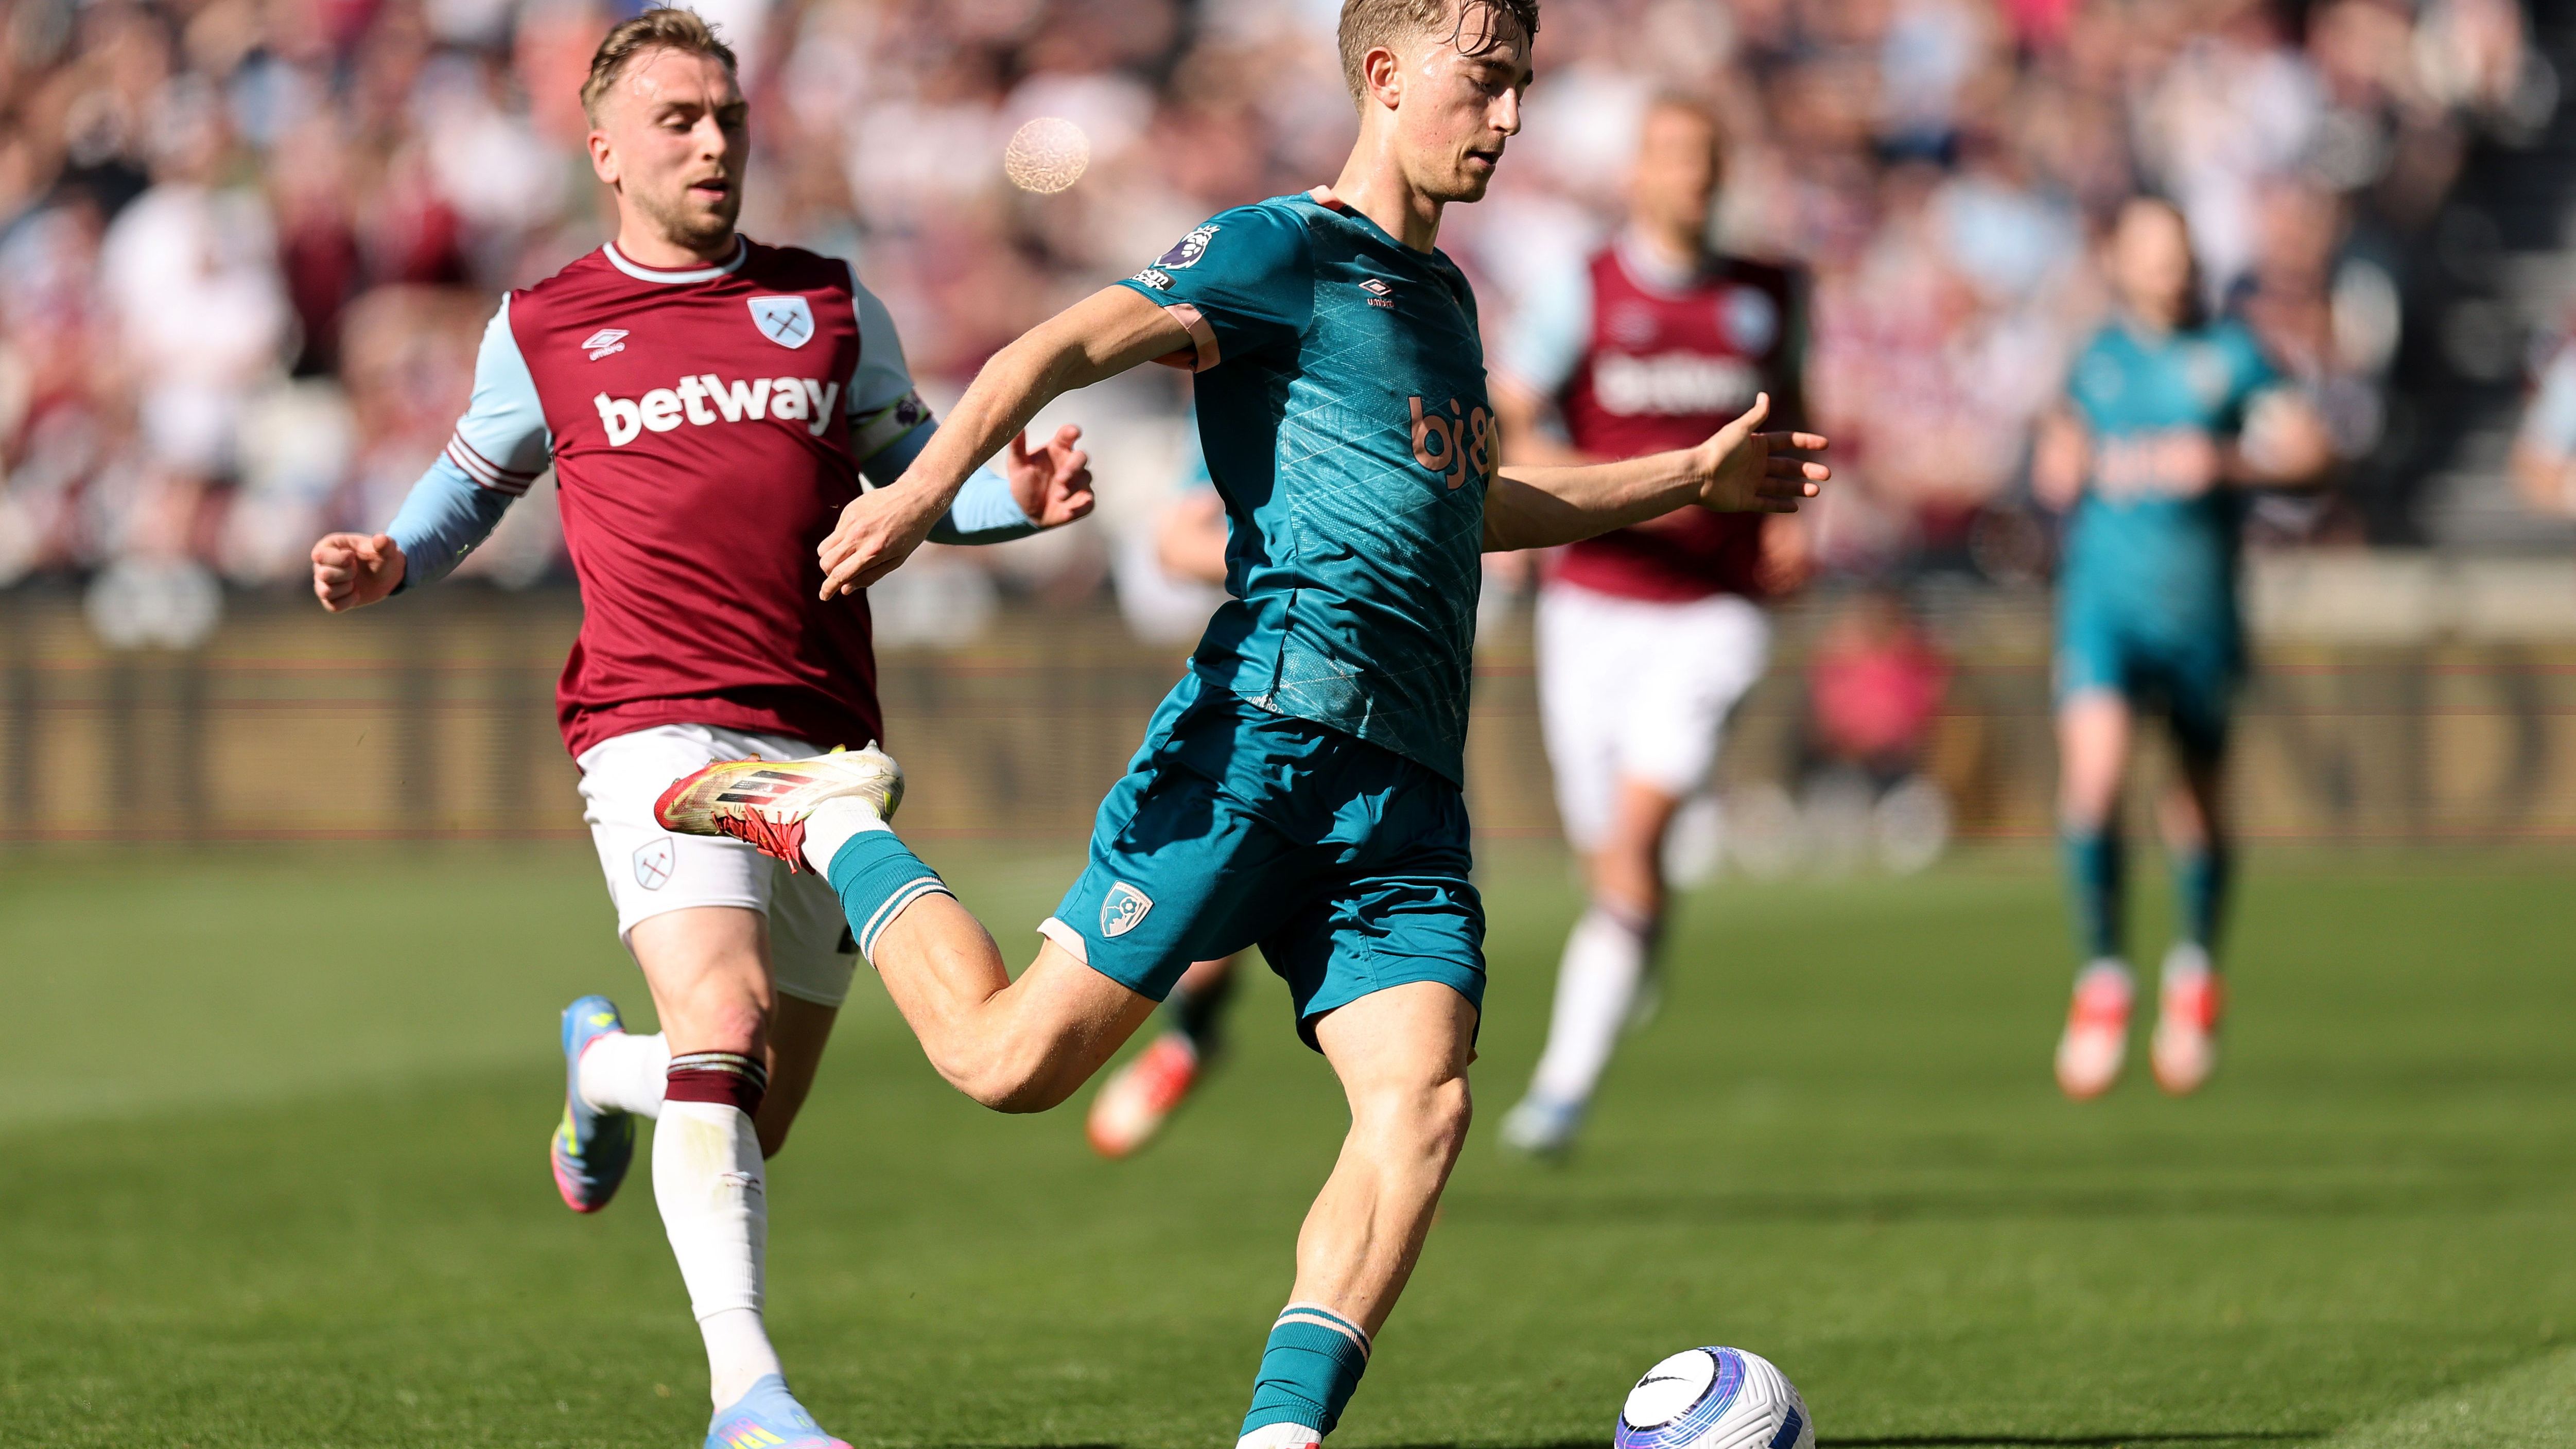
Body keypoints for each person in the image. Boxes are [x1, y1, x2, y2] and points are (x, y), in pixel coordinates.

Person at [649, 4, 1826, 1444]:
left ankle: (1279, 1439)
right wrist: (909, 494)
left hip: (1402, 789)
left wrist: (1684, 480)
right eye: (1488, 79)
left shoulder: (1443, 299)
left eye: (1523, 83)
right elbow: (1057, 347)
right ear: (1387, 77)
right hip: (1257, 745)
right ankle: (831, 817)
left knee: (1423, 1105)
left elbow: (1473, 507)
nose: (1511, 115)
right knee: (1009, 1066)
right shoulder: (1280, 250)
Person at [305, 12, 1095, 1448]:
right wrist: (394, 560)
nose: (714, 142)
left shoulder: (829, 302)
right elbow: (472, 482)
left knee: (735, 1107)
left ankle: (598, 1068)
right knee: (719, 1030)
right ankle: (751, 1399)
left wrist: (1009, 501)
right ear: (604, 149)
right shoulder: (544, 322)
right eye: (678, 120)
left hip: (824, 739)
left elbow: (911, 483)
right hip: (653, 733)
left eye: (727, 115)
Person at [1485, 95, 1812, 1156]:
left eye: (1710, 157)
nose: (1694, 176)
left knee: (1631, 845)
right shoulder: (1584, 288)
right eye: (1673, 156)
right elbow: (1522, 409)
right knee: (1612, 868)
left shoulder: (1769, 293)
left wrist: (1797, 522)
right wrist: (1578, 481)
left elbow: (1797, 417)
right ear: (1638, 174)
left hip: (1712, 614)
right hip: (1594, 602)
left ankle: (1562, 1096)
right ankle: (1639, 930)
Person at [2032, 196, 2329, 1101]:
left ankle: (2195, 970)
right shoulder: (2095, 359)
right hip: (2103, 610)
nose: (2172, 267)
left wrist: (2232, 464)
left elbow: (2313, 452)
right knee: (2093, 779)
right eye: (2153, 252)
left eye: (2182, 251)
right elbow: (2055, 459)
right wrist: (2061, 464)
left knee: (2193, 802)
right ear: (2118, 263)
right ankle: (2104, 979)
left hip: (2198, 612)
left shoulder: (2232, 357)